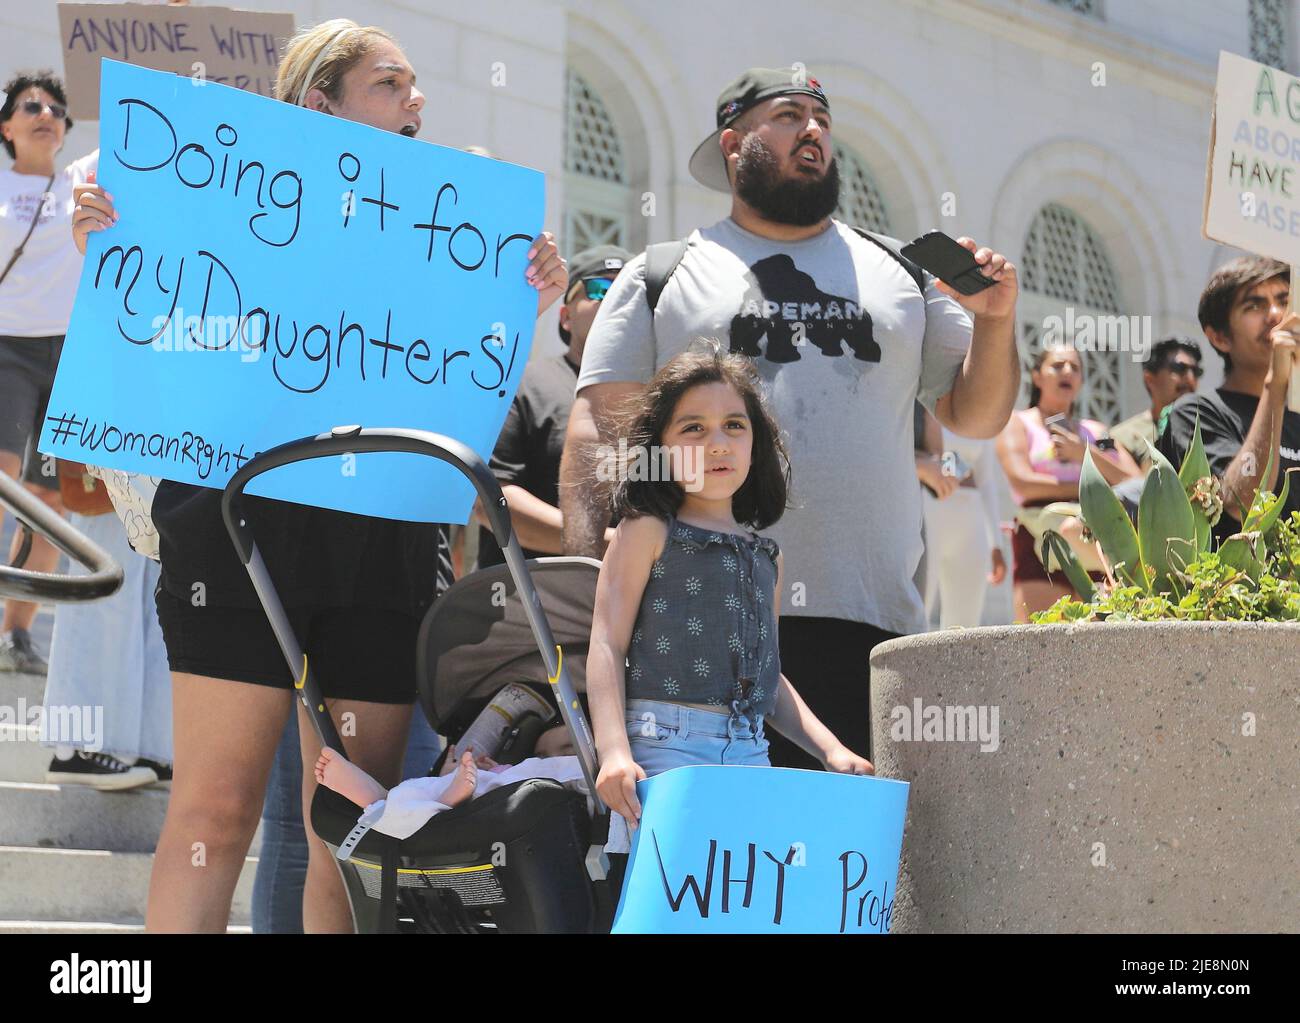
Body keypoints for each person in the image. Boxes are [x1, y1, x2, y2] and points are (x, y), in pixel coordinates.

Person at [71, 19, 568, 933]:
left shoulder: (443, 231)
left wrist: (521, 294)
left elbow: (457, 384)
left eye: (418, 85)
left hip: (384, 536)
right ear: (317, 104)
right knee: (213, 814)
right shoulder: (222, 198)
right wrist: (105, 241)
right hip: (238, 526)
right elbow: (152, 325)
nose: (416, 99)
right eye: (390, 82)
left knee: (350, 824)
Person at [560, 67, 1020, 768]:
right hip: (694, 621)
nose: (814, 130)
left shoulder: (902, 272)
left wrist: (996, 323)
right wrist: (597, 594)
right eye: (788, 115)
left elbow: (976, 416)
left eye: (823, 121)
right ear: (732, 140)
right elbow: (598, 430)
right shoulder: (662, 273)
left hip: (872, 624)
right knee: (713, 866)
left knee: (848, 860)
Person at [587, 346, 873, 837]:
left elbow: (769, 674)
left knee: (741, 909)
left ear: (756, 444)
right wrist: (613, 751)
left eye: (734, 425)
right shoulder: (647, 530)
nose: (717, 443)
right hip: (661, 754)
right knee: (666, 908)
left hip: (751, 754)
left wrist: (830, 749)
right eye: (693, 427)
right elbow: (606, 643)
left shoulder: (768, 557)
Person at [0, 71, 95, 674]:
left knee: (50, 502)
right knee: (3, 482)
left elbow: (147, 125)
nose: (47, 114)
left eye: (58, 109)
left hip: (66, 356)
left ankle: (17, 634)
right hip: (6, 351)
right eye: (30, 106)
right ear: (6, 126)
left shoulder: (81, 181)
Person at [473, 244, 630, 568]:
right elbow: (486, 499)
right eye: (599, 289)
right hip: (528, 607)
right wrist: (621, 547)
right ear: (566, 316)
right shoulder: (522, 382)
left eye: (630, 292)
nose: (614, 299)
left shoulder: (665, 402)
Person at [1157, 258, 1300, 542]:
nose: (1275, 314)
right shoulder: (1195, 414)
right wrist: (1275, 383)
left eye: (1284, 300)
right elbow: (1242, 502)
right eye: (1254, 306)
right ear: (1220, 338)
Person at [996, 341, 1141, 620]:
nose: (1067, 372)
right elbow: (1022, 481)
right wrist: (1088, 487)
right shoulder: (1018, 422)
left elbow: (1136, 481)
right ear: (1037, 376)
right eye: (1057, 365)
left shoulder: (1096, 432)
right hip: (1039, 535)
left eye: (1075, 367)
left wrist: (1083, 453)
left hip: (1092, 535)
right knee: (1040, 639)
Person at [914, 403, 1007, 628]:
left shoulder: (981, 408)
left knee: (965, 624)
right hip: (928, 507)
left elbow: (986, 481)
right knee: (918, 612)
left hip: (970, 515)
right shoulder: (925, 397)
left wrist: (996, 543)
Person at [1110, 337, 1203, 474]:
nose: (1190, 378)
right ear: (1150, 379)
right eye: (1179, 368)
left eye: (1195, 372)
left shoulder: (1209, 427)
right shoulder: (1123, 437)